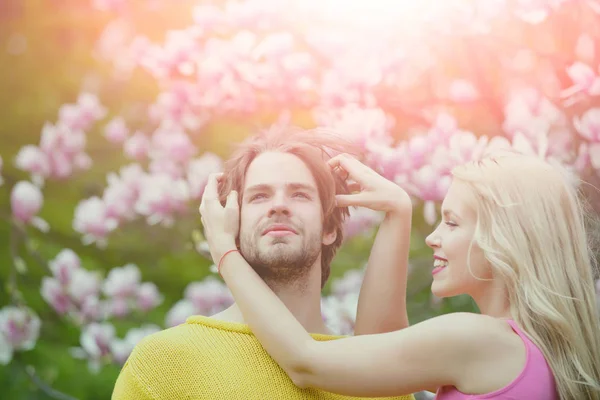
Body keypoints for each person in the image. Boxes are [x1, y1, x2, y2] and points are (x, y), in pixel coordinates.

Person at [201, 150, 600, 400]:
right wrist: (397, 211)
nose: (433, 238)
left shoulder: (477, 338)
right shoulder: (529, 349)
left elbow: (306, 362)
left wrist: (224, 250)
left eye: (452, 223)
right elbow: (379, 345)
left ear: (503, 237)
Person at [112, 127, 415, 400]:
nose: (279, 205)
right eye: (259, 196)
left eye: (299, 194)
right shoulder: (162, 364)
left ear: (329, 228)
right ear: (233, 225)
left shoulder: (375, 377)